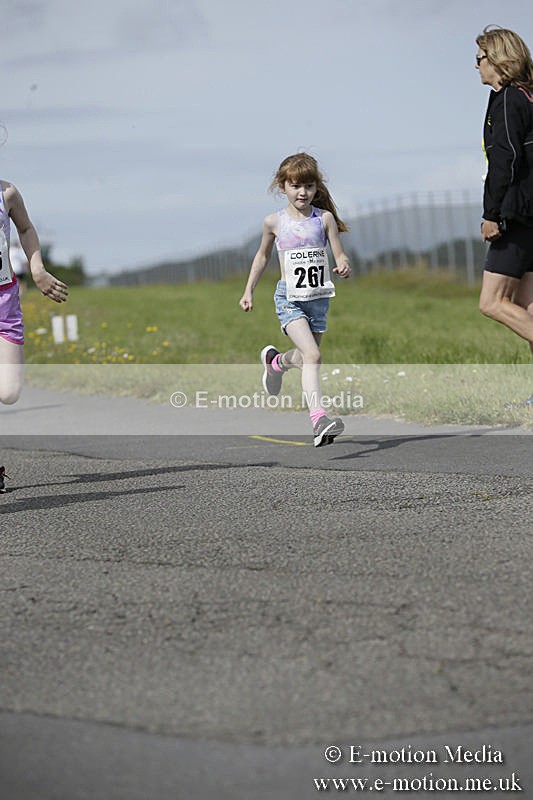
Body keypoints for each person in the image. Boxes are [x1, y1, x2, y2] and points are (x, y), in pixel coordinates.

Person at [239, 152, 351, 446]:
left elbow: (338, 252)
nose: (303, 192)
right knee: (314, 357)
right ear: (282, 187)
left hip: (318, 299)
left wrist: (343, 264)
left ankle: (276, 363)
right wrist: (249, 290)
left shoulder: (324, 219)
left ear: (317, 187)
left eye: (309, 186)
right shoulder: (274, 222)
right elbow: (262, 256)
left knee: (304, 359)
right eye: (295, 186)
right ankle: (319, 421)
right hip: (289, 298)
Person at [1, 177, 68, 493]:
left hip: (4, 302)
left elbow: (26, 230)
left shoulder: (7, 193)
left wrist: (37, 269)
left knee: (9, 392)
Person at [476, 26, 533, 355]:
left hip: (517, 213)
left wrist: (491, 214)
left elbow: (506, 157)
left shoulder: (510, 97)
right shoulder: (527, 94)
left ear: (497, 60)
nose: (477, 66)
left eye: (480, 58)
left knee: (492, 301)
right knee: (528, 305)